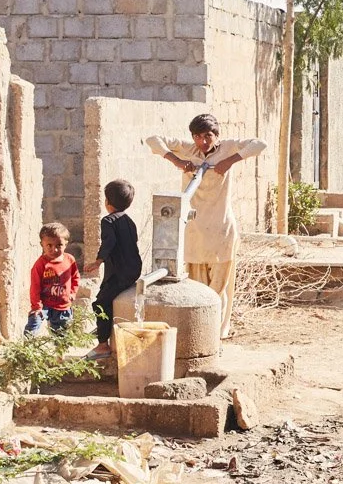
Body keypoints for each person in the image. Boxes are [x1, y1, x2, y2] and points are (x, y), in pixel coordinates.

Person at [145, 113, 266, 336]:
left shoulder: (228, 148)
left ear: (216, 135)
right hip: (195, 231)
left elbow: (260, 144)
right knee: (196, 287)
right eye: (198, 136)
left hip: (221, 230)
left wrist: (229, 161)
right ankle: (199, 332)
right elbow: (153, 140)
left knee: (219, 288)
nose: (203, 141)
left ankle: (217, 334)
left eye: (208, 136)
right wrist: (177, 161)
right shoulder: (187, 149)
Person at [85, 179, 142, 359]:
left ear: (107, 201)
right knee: (106, 293)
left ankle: (103, 345)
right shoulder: (129, 221)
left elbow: (109, 243)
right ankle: (103, 330)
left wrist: (97, 261)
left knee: (100, 303)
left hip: (119, 272)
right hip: (133, 269)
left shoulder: (108, 221)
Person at [26, 222, 79, 336]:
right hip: (44, 305)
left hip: (62, 304)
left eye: (59, 245)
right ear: (42, 244)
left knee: (61, 334)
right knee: (32, 326)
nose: (54, 249)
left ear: (66, 244)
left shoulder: (69, 260)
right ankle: (27, 350)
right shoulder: (40, 264)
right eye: (49, 245)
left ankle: (60, 353)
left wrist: (72, 293)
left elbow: (75, 277)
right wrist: (36, 306)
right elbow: (35, 286)